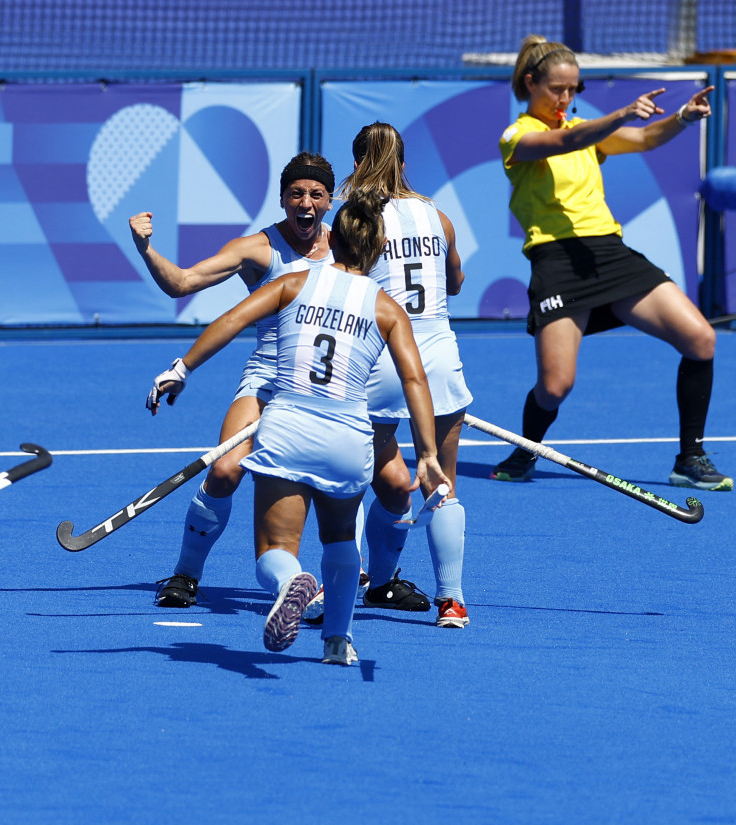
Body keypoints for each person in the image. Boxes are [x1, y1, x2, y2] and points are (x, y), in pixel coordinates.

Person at [146, 190, 449, 665]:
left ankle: (292, 585)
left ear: (336, 241)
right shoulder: (387, 308)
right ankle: (337, 641)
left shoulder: (294, 283)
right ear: (375, 250)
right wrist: (428, 455)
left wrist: (181, 368)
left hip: (288, 427)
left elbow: (231, 320)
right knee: (341, 542)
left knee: (276, 548)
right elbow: (414, 377)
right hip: (350, 437)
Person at [491, 36, 729, 492]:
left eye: (574, 89)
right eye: (557, 89)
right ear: (530, 83)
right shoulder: (518, 138)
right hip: (557, 261)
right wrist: (618, 113)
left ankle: (690, 458)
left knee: (700, 339)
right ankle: (526, 450)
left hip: (610, 254)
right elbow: (566, 139)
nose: (566, 98)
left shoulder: (587, 129)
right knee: (555, 387)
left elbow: (643, 137)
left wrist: (682, 117)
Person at [128, 152, 336, 609]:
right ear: (283, 199)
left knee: (348, 482)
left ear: (330, 200)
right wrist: (145, 249)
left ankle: (364, 580)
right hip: (268, 379)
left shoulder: (349, 247)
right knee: (224, 470)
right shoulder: (256, 249)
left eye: (316, 194)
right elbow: (182, 283)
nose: (305, 202)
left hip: (329, 385)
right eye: (296, 193)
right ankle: (185, 573)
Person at [338, 121, 476, 629]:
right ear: (403, 164)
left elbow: (343, 286)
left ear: (356, 165)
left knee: (352, 479)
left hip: (380, 359)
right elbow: (455, 282)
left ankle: (342, 585)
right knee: (441, 482)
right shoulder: (438, 217)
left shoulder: (354, 219)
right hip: (438, 358)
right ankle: (451, 602)